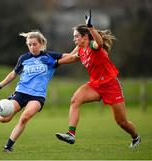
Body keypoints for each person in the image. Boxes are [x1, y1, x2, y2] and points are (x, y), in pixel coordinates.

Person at [51, 10, 141, 148]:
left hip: (111, 85)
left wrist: (91, 27)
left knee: (121, 122)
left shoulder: (93, 45)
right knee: (75, 99)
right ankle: (71, 134)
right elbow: (69, 57)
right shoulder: (80, 49)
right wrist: (53, 62)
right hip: (95, 85)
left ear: (85, 37)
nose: (74, 39)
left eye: (76, 36)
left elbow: (98, 42)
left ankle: (136, 137)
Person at [0, 30, 69, 152]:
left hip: (37, 96)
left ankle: (8, 147)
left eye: (35, 44)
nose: (32, 47)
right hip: (21, 92)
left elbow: (71, 57)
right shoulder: (24, 58)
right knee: (5, 119)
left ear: (41, 44)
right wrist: (0, 85)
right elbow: (13, 74)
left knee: (24, 117)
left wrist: (80, 47)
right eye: (30, 45)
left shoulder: (50, 56)